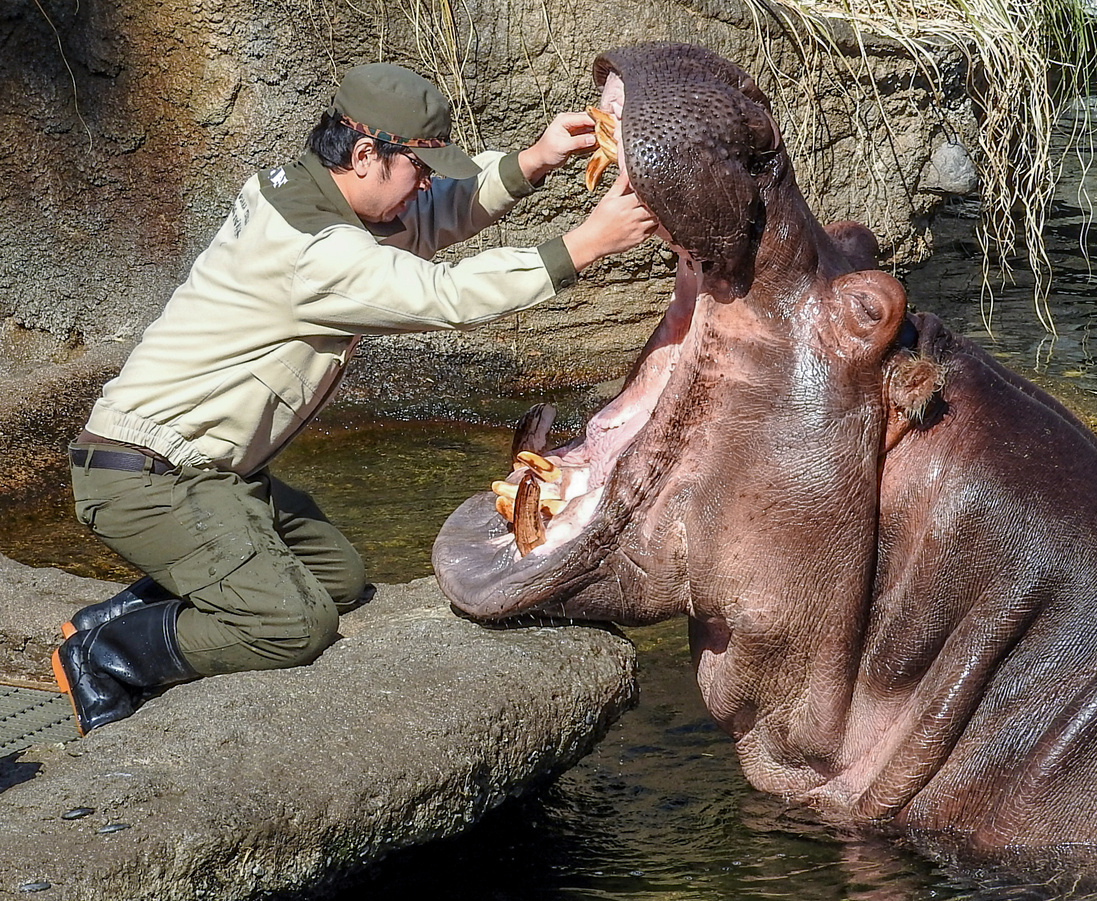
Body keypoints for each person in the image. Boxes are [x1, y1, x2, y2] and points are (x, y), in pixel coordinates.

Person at [54, 62, 658, 735]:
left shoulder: (314, 194)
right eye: (419, 169)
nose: (426, 184)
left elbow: (424, 221)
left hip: (213, 472)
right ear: (367, 153)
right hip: (149, 475)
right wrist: (584, 245)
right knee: (293, 624)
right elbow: (444, 295)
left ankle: (125, 609)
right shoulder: (311, 246)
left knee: (338, 580)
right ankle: (103, 655)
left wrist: (532, 161)